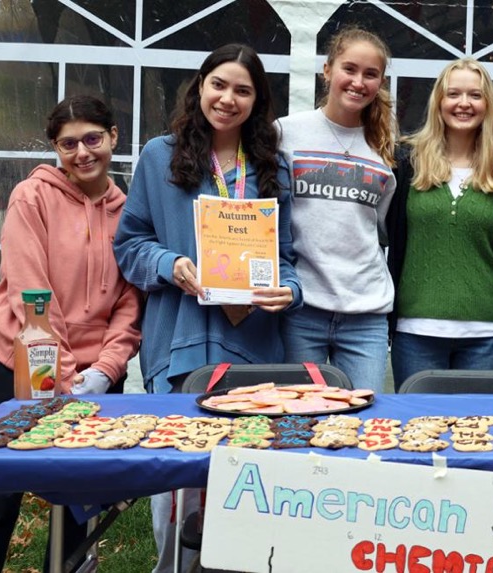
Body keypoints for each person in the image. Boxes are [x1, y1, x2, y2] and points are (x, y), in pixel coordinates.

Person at [112, 44, 300, 573]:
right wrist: (171, 264)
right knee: (179, 493)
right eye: (219, 84)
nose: (228, 98)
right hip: (181, 342)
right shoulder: (159, 155)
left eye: (243, 90)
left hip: (255, 348)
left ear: (257, 100)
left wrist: (290, 291)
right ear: (200, 87)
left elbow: (284, 259)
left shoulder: (272, 168)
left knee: (244, 488)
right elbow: (129, 245)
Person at [0, 95, 142, 573]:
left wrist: (105, 369)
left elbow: (129, 302)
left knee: (78, 509)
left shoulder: (130, 211)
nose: (82, 153)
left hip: (96, 379)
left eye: (93, 139)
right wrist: (61, 373)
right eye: (68, 143)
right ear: (55, 148)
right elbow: (30, 291)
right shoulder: (31, 196)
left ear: (113, 137)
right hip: (19, 370)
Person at [386, 58, 493, 388]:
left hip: (485, 334)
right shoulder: (407, 159)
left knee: (476, 432)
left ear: (487, 104)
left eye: (475, 95)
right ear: (439, 101)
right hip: (416, 331)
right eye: (454, 94)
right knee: (419, 432)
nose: (464, 104)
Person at [276, 26, 396, 392]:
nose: (358, 81)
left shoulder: (386, 147)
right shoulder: (284, 133)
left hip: (367, 313)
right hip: (302, 308)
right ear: (327, 70)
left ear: (380, 82)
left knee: (363, 423)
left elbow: (381, 227)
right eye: (350, 69)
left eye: (370, 74)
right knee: (299, 420)